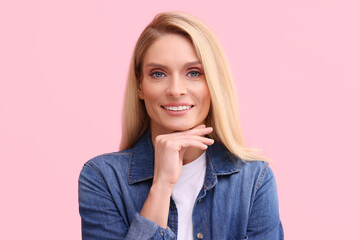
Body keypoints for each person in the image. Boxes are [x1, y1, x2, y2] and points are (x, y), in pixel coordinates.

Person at [78, 11, 284, 240]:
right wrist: (161, 185)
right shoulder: (103, 178)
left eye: (194, 73)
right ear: (140, 86)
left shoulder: (254, 179)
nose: (176, 89)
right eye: (158, 74)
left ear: (213, 83)